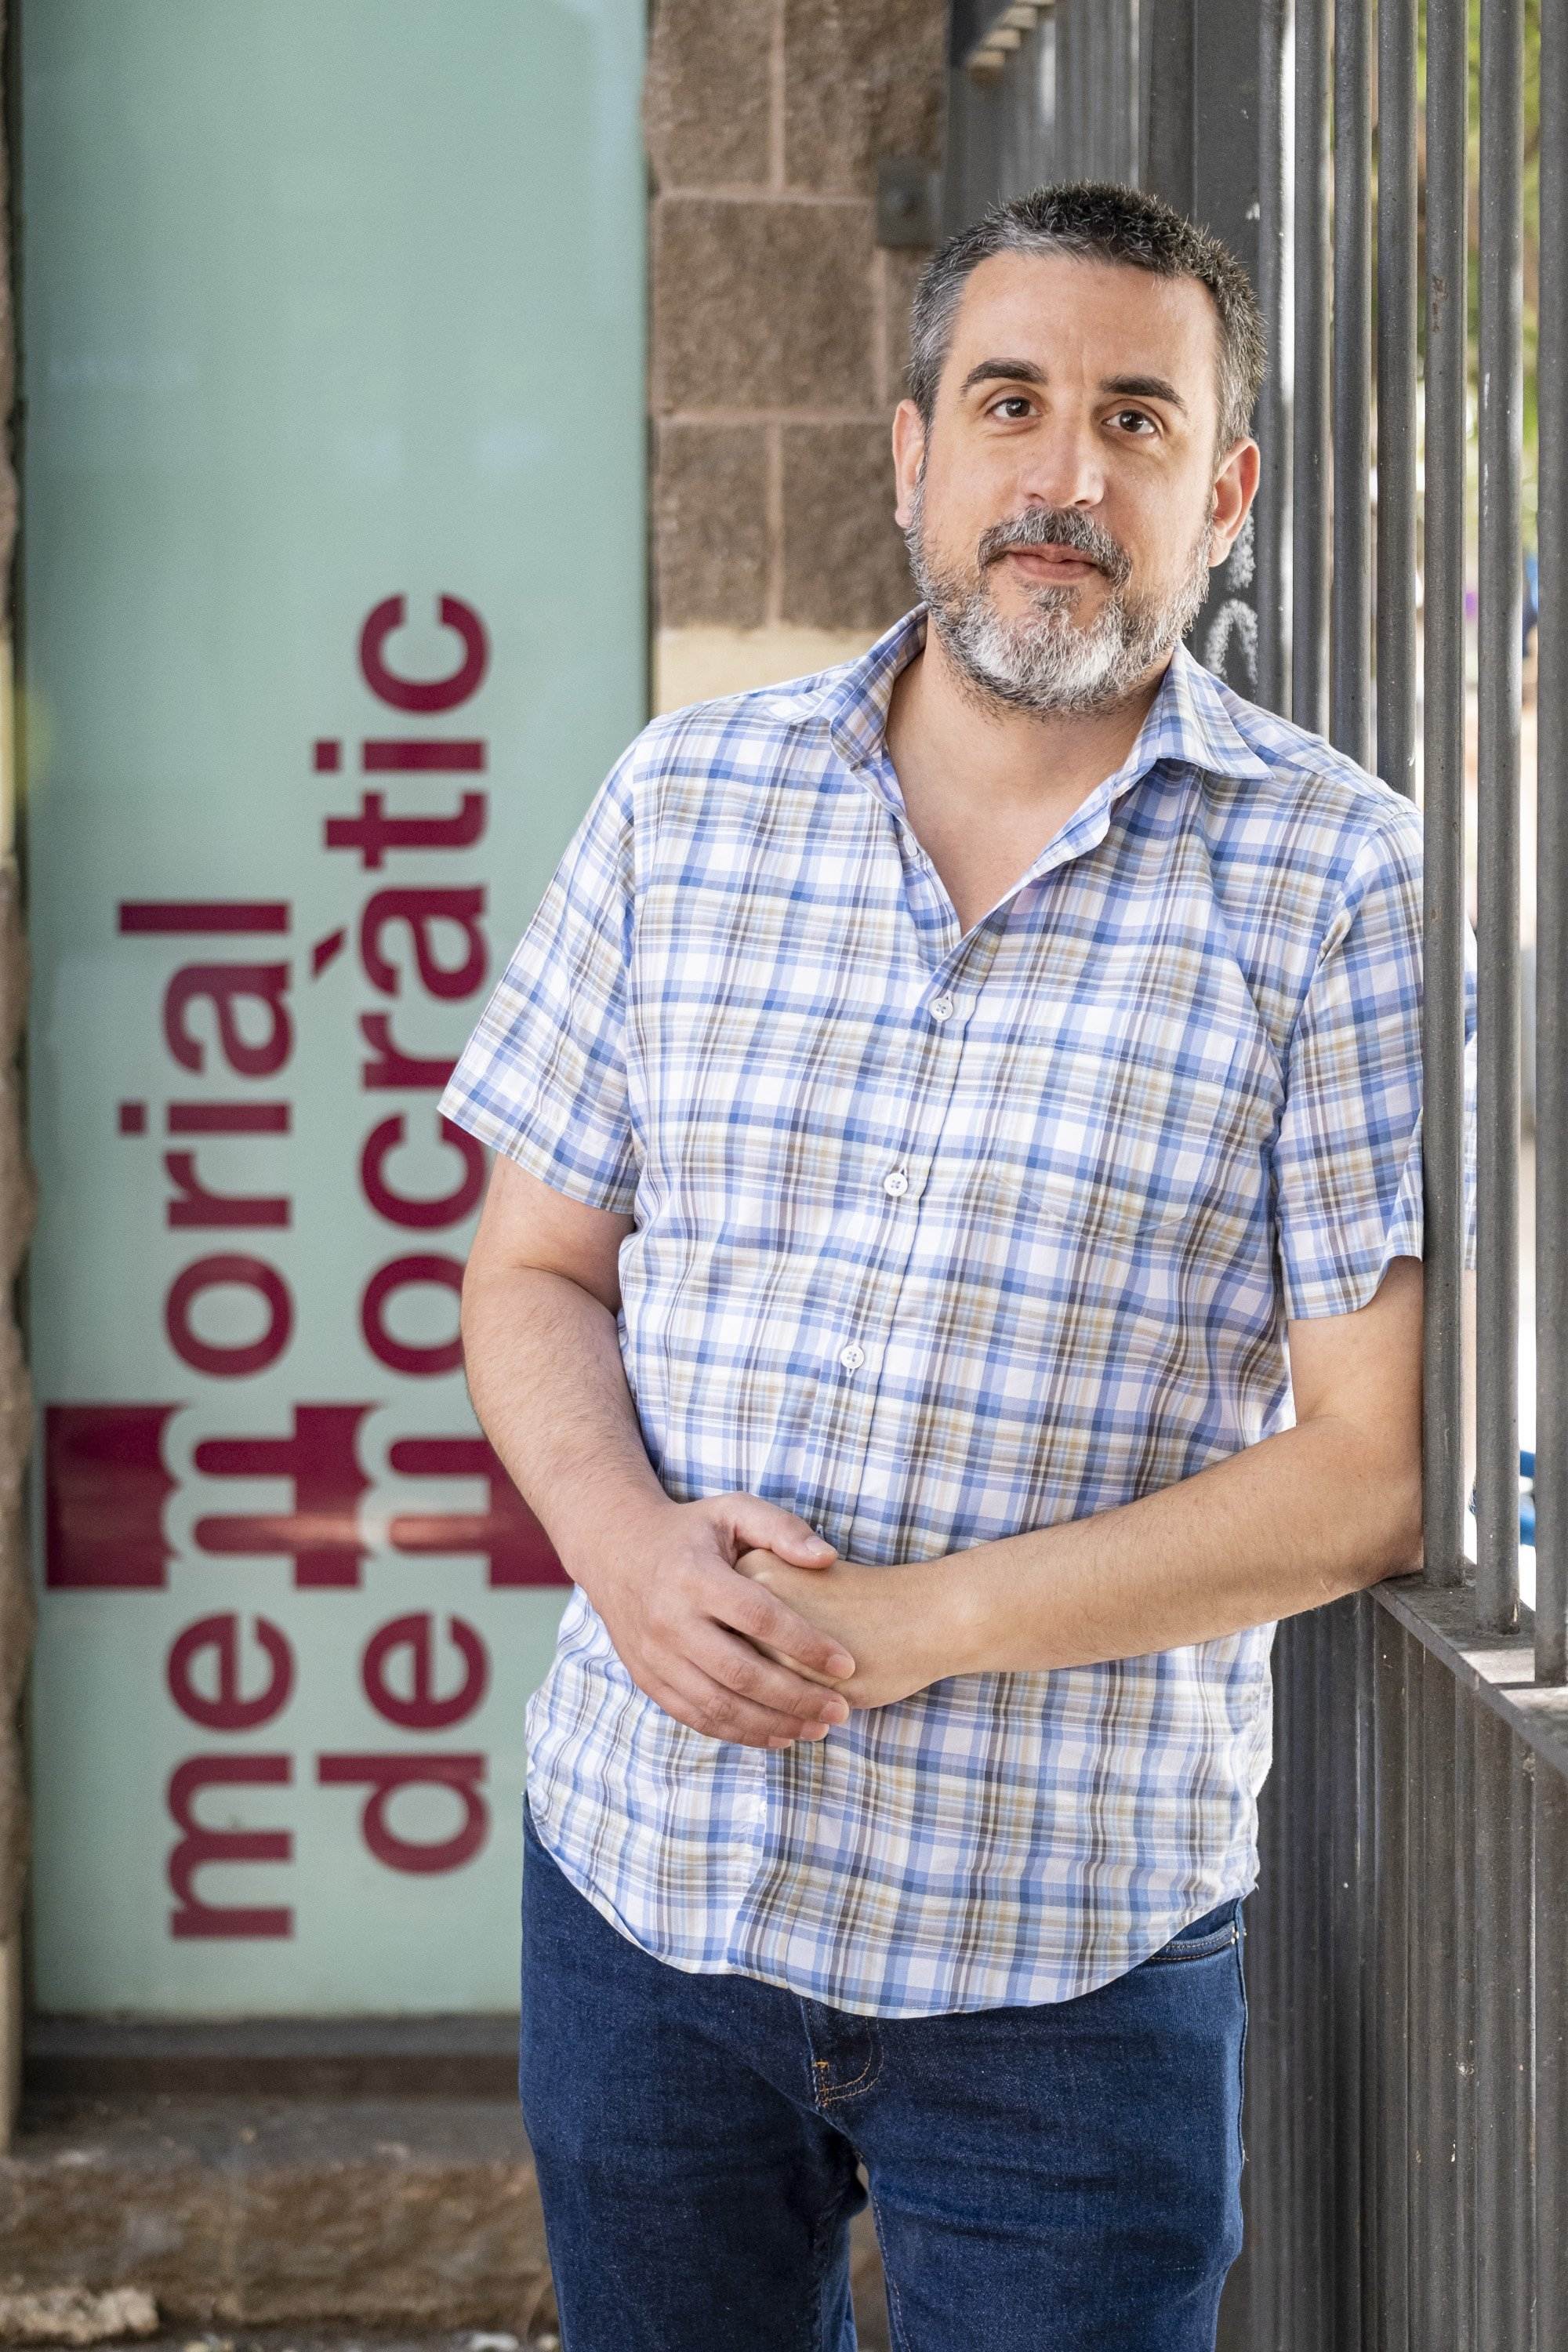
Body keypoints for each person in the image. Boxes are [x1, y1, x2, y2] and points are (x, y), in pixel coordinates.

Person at [441, 180, 1477, 2352]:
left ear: (1227, 493)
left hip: (1066, 1976)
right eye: (1010, 404)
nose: (1064, 476)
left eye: (1136, 420)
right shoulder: (683, 803)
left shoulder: (1339, 884)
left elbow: (1368, 1468)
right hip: (649, 1903)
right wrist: (626, 1553)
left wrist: (907, 1634)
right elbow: (531, 1264)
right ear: (912, 448)